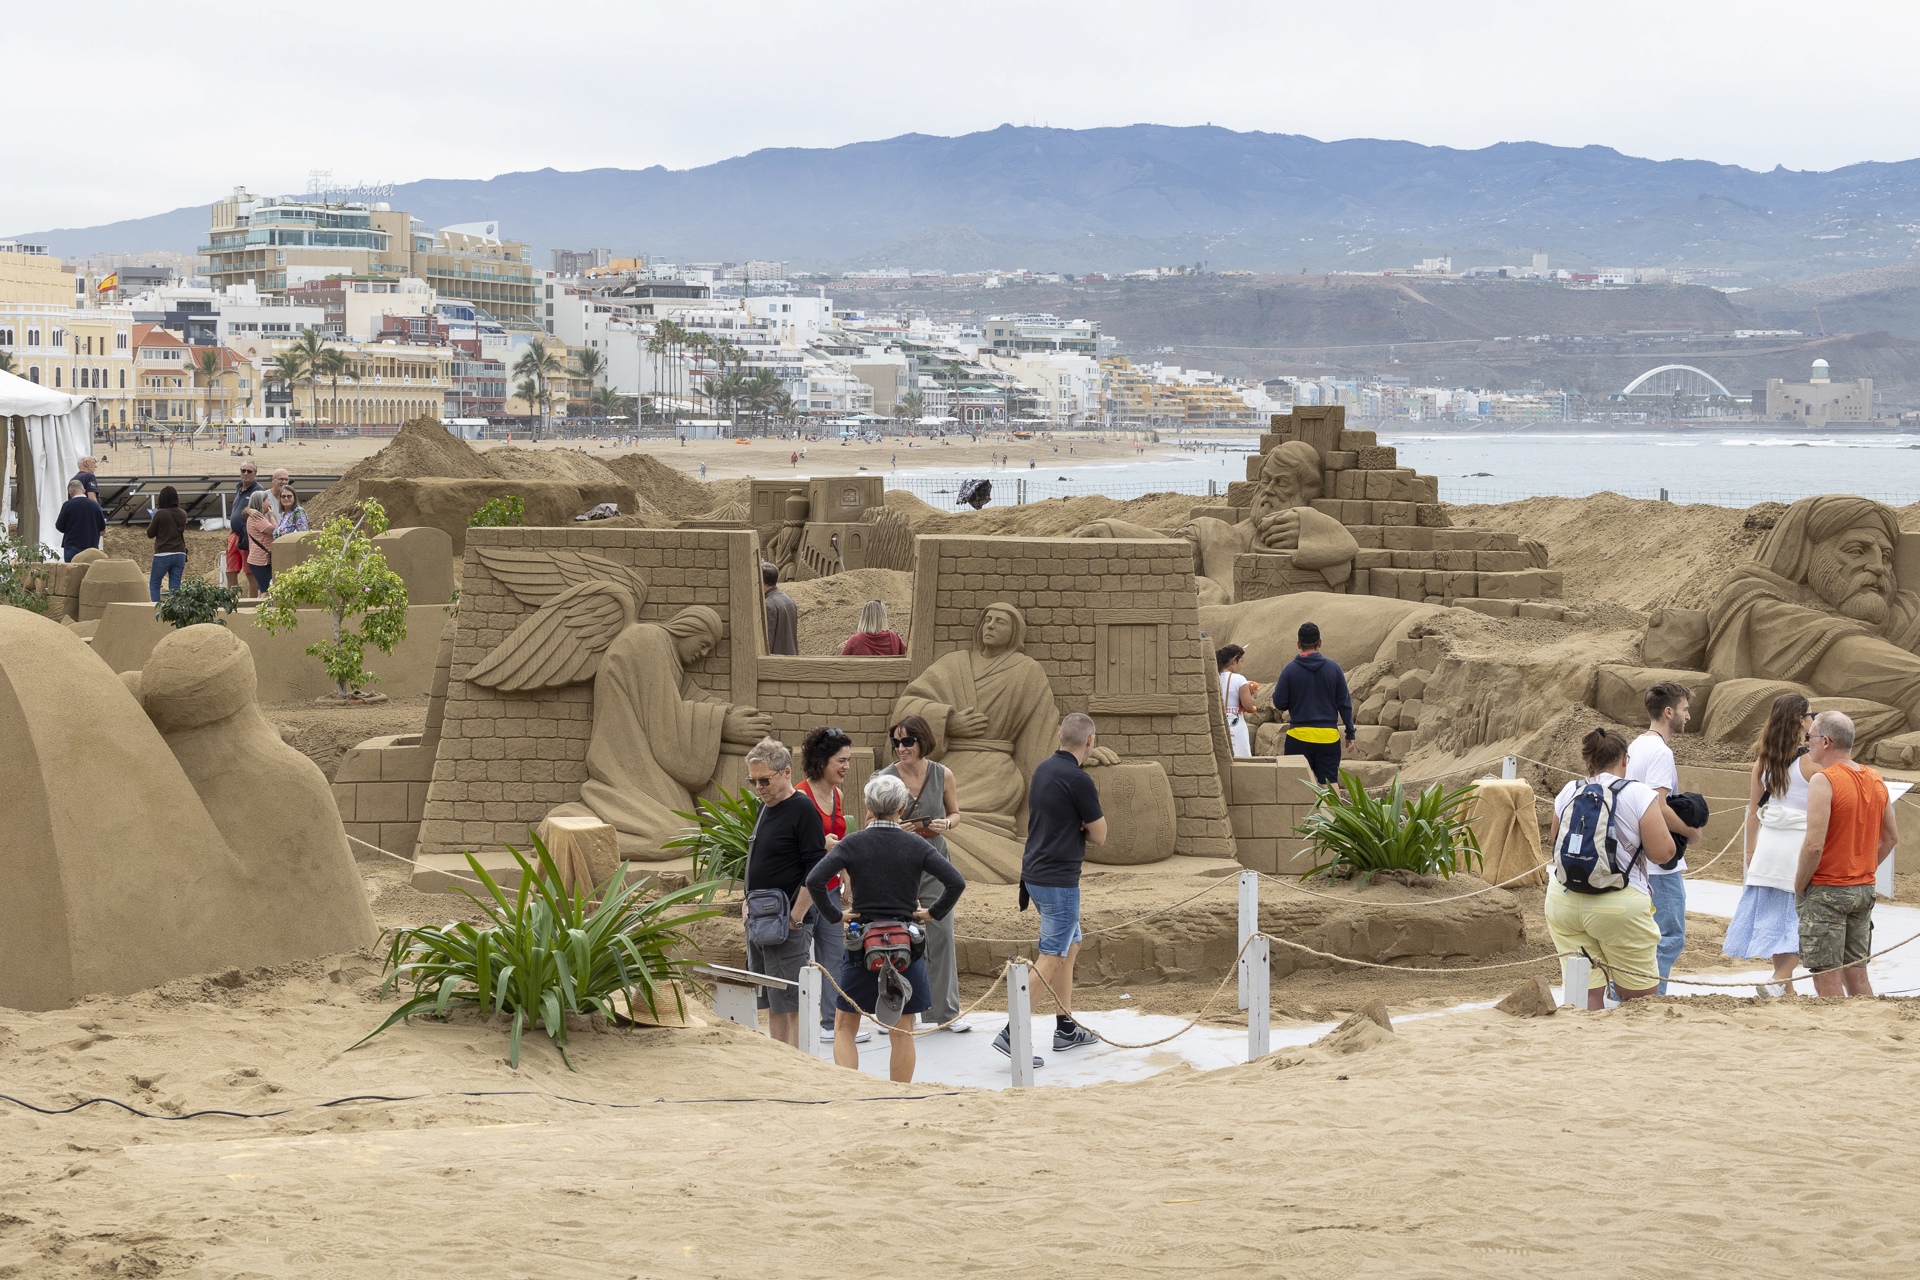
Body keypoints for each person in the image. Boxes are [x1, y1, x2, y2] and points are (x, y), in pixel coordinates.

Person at [805, 774, 965, 1082]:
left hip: (862, 943)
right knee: (902, 1029)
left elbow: (815, 880)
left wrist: (836, 915)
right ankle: (899, 1094)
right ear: (902, 808)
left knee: (844, 1026)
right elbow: (955, 882)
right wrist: (932, 912)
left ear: (868, 806)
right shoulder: (916, 844)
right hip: (906, 943)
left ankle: (851, 1090)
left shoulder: (853, 843)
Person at [994, 712, 1107, 1065]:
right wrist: (1083, 824)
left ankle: (1066, 1027)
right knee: (1053, 955)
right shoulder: (1079, 779)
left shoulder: (1043, 769)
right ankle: (1013, 1034)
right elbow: (1101, 835)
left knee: (1070, 945)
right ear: (1090, 741)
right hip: (1059, 880)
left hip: (1036, 874)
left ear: (1060, 735)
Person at [1545, 727, 1675, 1009]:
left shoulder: (1569, 790)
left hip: (1564, 900)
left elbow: (1555, 841)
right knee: (1639, 998)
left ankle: (1584, 1035)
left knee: (1584, 993)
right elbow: (1662, 854)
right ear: (1625, 759)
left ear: (1588, 759)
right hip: (1619, 905)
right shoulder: (1638, 793)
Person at [1796, 710, 1898, 998]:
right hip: (1862, 888)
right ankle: (1865, 1021)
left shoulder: (1824, 780)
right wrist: (1864, 868)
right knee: (1857, 973)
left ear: (1826, 741)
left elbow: (1814, 845)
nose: (1806, 742)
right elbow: (1891, 838)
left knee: (1825, 975)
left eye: (1810, 736)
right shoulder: (1875, 778)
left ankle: (1835, 1025)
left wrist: (1800, 884)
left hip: (1827, 888)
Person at [879, 714, 967, 1033]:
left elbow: (955, 813)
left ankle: (945, 1013)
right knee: (895, 934)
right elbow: (870, 822)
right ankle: (897, 1012)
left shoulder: (943, 774)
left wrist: (947, 824)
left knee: (941, 931)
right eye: (896, 742)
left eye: (907, 741)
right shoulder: (885, 778)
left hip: (934, 857)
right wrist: (893, 827)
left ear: (922, 741)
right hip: (896, 858)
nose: (901, 748)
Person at [1728, 693, 1815, 995]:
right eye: (1810, 715)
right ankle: (1778, 980)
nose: (1813, 720)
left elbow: (1754, 812)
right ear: (1800, 720)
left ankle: (1785, 991)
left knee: (1777, 920)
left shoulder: (1763, 762)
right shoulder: (1812, 763)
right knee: (1802, 922)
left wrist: (1750, 850)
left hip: (1768, 846)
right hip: (1797, 847)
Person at [741, 737, 826, 1046]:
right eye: (753, 781)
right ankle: (779, 1057)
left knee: (789, 999)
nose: (758, 787)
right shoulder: (766, 807)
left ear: (786, 772)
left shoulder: (802, 808)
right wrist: (746, 901)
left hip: (786, 921)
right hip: (761, 918)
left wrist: (796, 916)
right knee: (772, 998)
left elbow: (816, 866)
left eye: (764, 780)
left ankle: (792, 1061)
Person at [1625, 680, 1702, 994]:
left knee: (1639, 936)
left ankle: (1626, 993)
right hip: (1659, 861)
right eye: (1684, 709)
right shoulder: (1659, 752)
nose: (1688, 716)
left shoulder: (1635, 746)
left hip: (1634, 858)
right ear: (1669, 712)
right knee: (1669, 936)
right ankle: (1649, 996)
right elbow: (1657, 805)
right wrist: (1689, 832)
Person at [796, 726, 866, 1046]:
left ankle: (831, 1023)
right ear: (822, 760)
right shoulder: (800, 796)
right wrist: (820, 843)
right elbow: (795, 844)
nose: (846, 766)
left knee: (835, 954)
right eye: (841, 760)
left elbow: (840, 841)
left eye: (848, 760)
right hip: (803, 888)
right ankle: (797, 1022)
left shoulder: (837, 795)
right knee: (799, 954)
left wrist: (846, 872)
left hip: (830, 887)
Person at [1269, 622, 1354, 784]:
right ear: (1320, 643)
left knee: (1298, 785)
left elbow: (1280, 703)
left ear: (1298, 644)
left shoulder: (1289, 670)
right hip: (1328, 736)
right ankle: (1333, 802)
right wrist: (1350, 732)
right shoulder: (1334, 668)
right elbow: (1344, 703)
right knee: (1329, 782)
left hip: (1298, 736)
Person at [145, 484, 189, 600]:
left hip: (163, 553)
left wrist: (153, 519)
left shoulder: (159, 513)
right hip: (180, 553)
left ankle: (154, 609)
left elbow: (150, 534)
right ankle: (174, 610)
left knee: (154, 584)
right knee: (175, 588)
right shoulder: (183, 514)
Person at [1217, 644, 1259, 757]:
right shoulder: (1239, 679)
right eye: (1241, 661)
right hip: (1235, 724)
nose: (1242, 666)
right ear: (1234, 660)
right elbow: (1248, 705)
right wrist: (1252, 696)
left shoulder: (1214, 677)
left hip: (1218, 721)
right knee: (1240, 756)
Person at [227, 461, 262, 591]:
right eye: (243, 470)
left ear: (255, 473)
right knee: (230, 570)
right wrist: (231, 533)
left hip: (248, 537)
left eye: (249, 471)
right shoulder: (239, 488)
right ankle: (232, 599)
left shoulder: (258, 490)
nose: (246, 473)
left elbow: (260, 514)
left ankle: (252, 601)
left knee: (250, 573)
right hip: (234, 535)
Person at [54, 479, 106, 562]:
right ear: (84, 490)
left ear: (70, 492)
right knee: (89, 570)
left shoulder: (67, 505)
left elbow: (59, 526)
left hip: (72, 545)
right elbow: (102, 529)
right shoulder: (95, 506)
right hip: (91, 547)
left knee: (71, 569)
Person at [841, 599, 907, 655]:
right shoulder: (894, 638)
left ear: (864, 617)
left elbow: (840, 663)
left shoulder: (854, 641)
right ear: (883, 617)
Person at [244, 490, 276, 596]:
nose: (269, 503)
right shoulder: (258, 518)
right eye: (267, 500)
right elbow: (275, 531)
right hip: (261, 560)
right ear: (262, 503)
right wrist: (272, 516)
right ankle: (262, 606)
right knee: (266, 590)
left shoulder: (254, 517)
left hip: (257, 559)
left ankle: (258, 605)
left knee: (261, 588)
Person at [762, 562, 798, 655]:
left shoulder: (768, 605)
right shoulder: (789, 600)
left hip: (777, 659)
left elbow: (768, 642)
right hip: (792, 656)